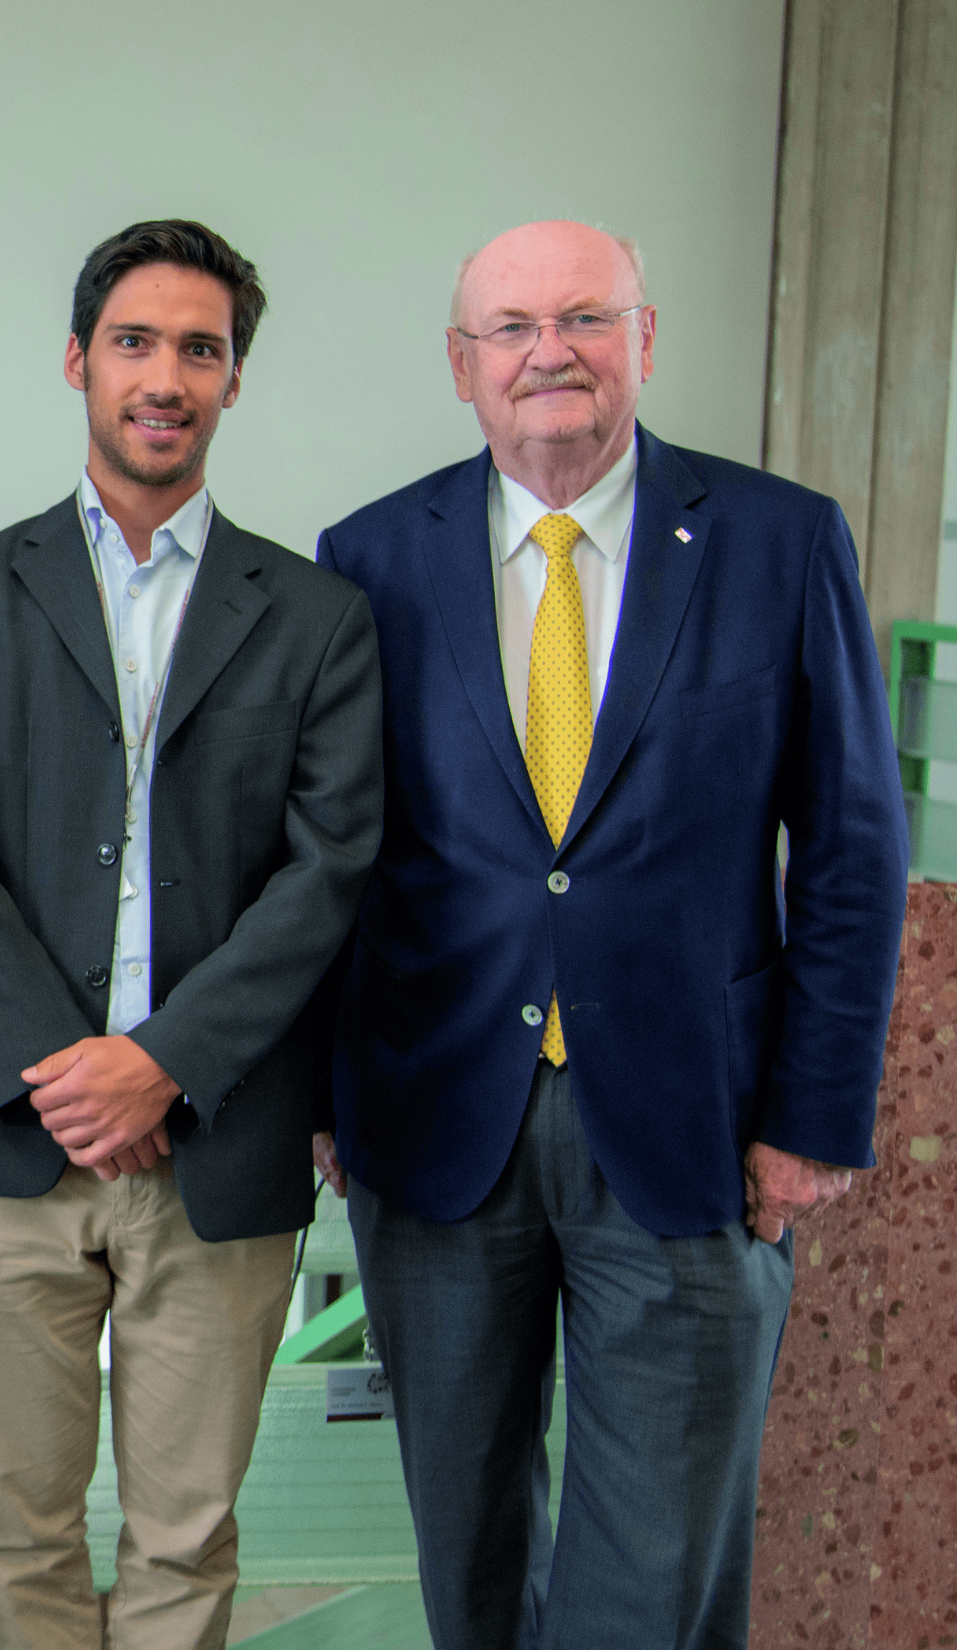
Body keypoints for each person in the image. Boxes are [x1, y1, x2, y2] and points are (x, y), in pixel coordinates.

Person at [314, 219, 907, 1648]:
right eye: (511, 329)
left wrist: (813, 1116)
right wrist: (331, 1098)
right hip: (441, 1119)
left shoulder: (781, 538)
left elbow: (851, 844)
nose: (549, 354)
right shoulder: (375, 555)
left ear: (646, 340)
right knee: (467, 1551)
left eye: (585, 317)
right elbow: (337, 854)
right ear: (464, 367)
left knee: (658, 1571)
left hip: (696, 1124)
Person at [0, 219, 383, 1649]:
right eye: (136, 341)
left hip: (216, 1140)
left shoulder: (316, 615)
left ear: (233, 383)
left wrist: (162, 1061)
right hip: (8, 1132)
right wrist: (70, 1060)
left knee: (186, 1533)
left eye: (201, 349)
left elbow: (327, 867)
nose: (166, 375)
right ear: (77, 361)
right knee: (17, 1522)